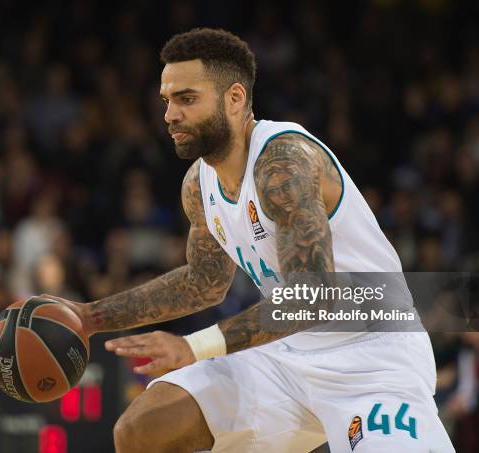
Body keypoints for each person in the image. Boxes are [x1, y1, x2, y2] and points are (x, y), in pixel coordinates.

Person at [46, 28, 455, 452]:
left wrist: (194, 346)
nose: (169, 114)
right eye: (166, 100)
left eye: (186, 99)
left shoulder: (284, 161)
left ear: (235, 99)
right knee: (143, 427)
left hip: (372, 357)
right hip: (284, 356)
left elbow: (312, 296)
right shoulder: (198, 185)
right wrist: (91, 317)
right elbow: (204, 282)